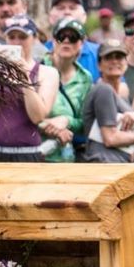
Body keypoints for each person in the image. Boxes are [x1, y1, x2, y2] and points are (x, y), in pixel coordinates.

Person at [0, 15, 59, 162]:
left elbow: (38, 117)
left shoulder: (47, 72)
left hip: (27, 152)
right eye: (12, 37)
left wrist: (24, 77)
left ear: (34, 39)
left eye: (22, 37)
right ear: (5, 40)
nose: (17, 42)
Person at [81, 41, 134, 162]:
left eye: (119, 57)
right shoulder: (103, 89)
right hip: (104, 166)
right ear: (99, 65)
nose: (114, 61)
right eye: (108, 57)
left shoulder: (122, 98)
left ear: (126, 63)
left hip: (121, 166)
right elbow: (110, 139)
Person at [39, 18, 92, 162]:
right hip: (33, 152)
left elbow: (84, 122)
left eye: (73, 37)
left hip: (65, 157)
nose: (67, 41)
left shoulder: (85, 78)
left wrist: (66, 121)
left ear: (81, 43)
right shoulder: (37, 68)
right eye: (61, 36)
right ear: (54, 40)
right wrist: (47, 125)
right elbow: (21, 114)